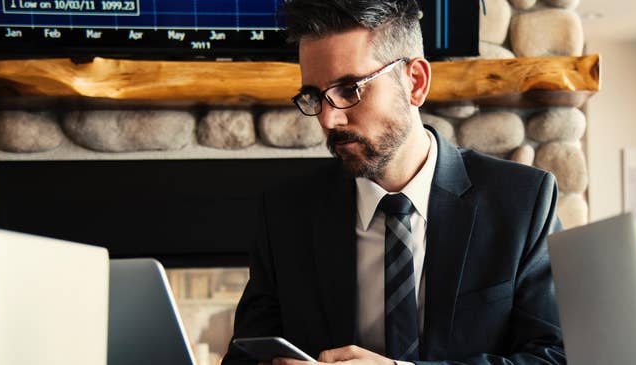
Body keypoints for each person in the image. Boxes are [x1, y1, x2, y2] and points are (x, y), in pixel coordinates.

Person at [222, 1, 565, 364]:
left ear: (415, 82)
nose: (328, 119)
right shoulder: (284, 215)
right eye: (314, 96)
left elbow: (556, 356)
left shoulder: (522, 202)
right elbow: (246, 354)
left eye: (350, 89)